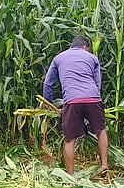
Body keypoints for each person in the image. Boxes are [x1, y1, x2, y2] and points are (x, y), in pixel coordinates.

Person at [42, 35, 109, 173]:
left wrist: (48, 103)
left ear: (71, 47)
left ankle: (70, 175)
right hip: (93, 98)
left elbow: (48, 84)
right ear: (85, 47)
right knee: (101, 131)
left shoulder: (58, 58)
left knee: (69, 139)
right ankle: (104, 165)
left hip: (72, 101)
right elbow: (97, 84)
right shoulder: (92, 58)